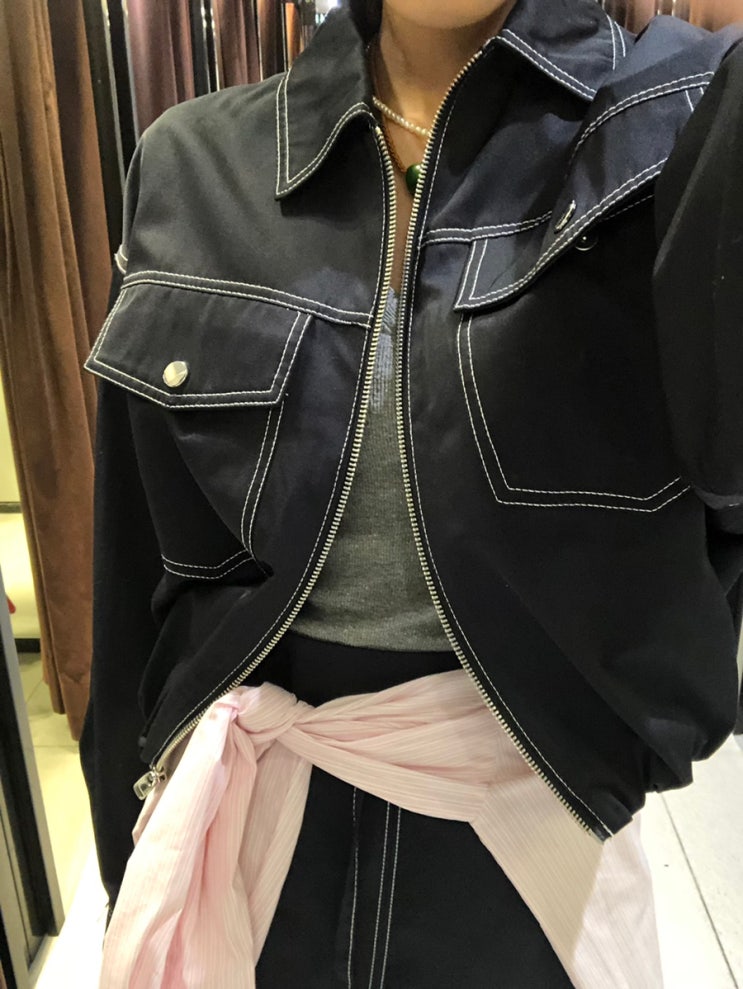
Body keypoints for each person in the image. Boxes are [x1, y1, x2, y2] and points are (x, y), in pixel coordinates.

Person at [80, 0, 743, 985]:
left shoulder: (684, 125)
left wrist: (622, 717)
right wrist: (130, 874)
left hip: (529, 836)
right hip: (249, 839)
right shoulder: (192, 163)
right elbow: (137, 583)